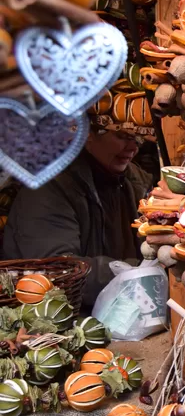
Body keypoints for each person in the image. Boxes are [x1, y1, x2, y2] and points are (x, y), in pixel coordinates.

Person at [2, 129, 151, 305]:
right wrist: (139, 273)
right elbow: (59, 271)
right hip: (60, 317)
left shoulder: (133, 181)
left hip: (124, 307)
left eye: (138, 139)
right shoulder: (49, 187)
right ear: (87, 134)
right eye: (122, 136)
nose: (133, 147)